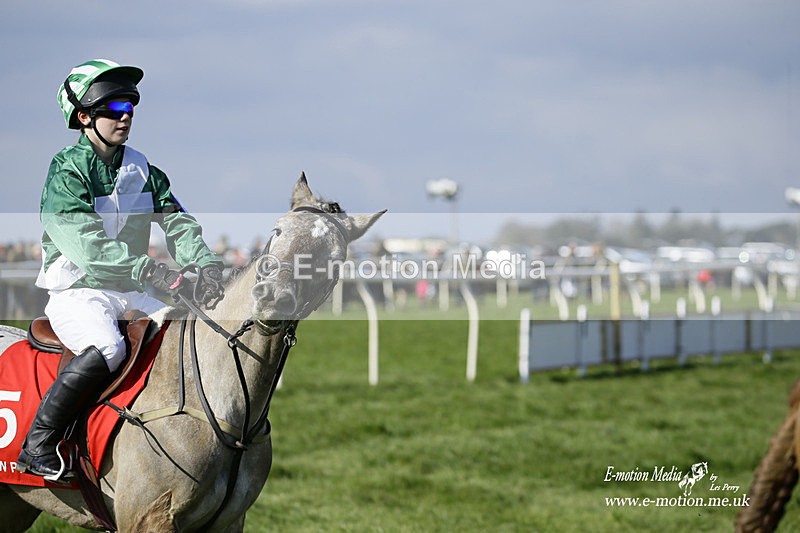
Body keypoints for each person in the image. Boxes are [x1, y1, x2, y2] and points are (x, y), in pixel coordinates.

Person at [17, 59, 225, 480]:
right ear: (84, 117)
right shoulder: (66, 172)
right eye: (113, 108)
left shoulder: (144, 170)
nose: (125, 115)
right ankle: (38, 443)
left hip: (129, 290)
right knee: (108, 348)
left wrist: (205, 265)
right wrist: (154, 272)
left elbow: (177, 221)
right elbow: (89, 249)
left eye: (130, 105)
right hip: (78, 291)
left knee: (180, 335)